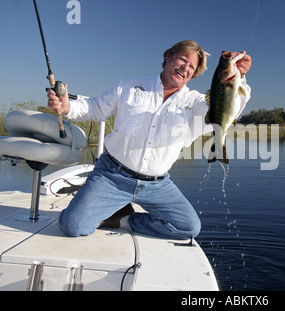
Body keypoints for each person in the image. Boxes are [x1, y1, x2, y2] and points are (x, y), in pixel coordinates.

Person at [47, 40, 252, 240]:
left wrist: (239, 78)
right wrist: (67, 108)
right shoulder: (129, 86)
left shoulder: (195, 102)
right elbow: (95, 108)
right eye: (182, 60)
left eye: (192, 67)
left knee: (188, 227)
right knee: (72, 226)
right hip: (111, 175)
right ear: (168, 56)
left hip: (157, 185)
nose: (185, 68)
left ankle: (123, 219)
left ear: (194, 74)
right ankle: (95, 206)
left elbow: (224, 110)